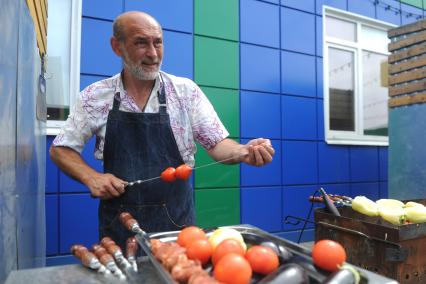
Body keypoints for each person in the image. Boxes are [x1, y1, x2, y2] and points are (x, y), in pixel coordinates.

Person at [50, 11, 275, 249]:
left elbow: (217, 144)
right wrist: (92, 177)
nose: (153, 53)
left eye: (157, 42)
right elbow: (60, 149)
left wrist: (243, 151)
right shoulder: (95, 96)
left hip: (178, 226)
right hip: (121, 226)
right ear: (117, 46)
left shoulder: (185, 92)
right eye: (141, 43)